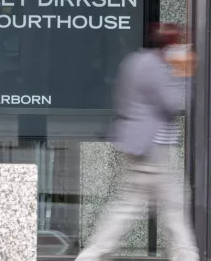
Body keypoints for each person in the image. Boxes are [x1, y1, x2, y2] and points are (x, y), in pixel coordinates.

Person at [75, 23, 199, 261]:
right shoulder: (155, 67)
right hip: (154, 146)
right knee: (173, 202)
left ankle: (94, 253)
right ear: (168, 46)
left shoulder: (133, 61)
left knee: (128, 203)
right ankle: (185, 254)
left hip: (135, 143)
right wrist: (184, 74)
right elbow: (174, 103)